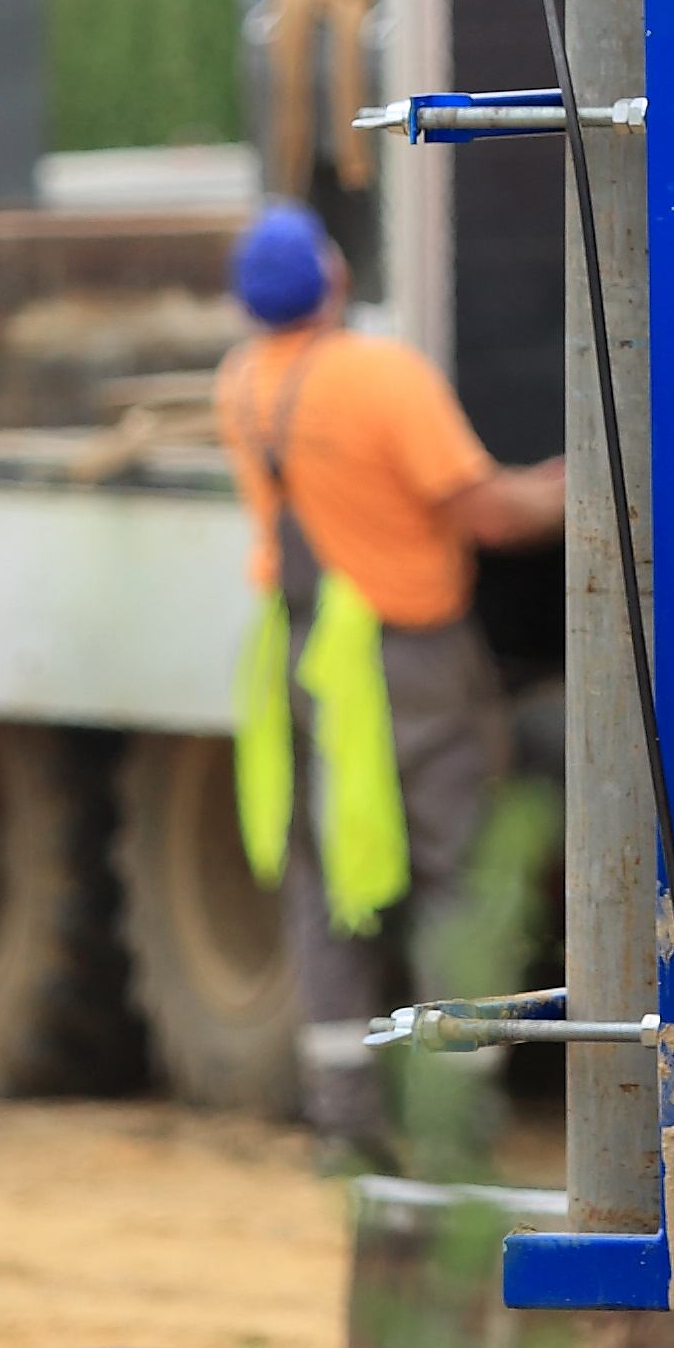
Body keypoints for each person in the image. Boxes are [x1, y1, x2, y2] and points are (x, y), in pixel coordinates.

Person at [213, 201, 564, 1164]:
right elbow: (485, 515)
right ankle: (455, 1120)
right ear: (332, 279)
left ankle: (345, 1117)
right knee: (459, 870)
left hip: (305, 656)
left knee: (332, 884)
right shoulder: (378, 377)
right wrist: (573, 488)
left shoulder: (242, 385)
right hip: (409, 661)